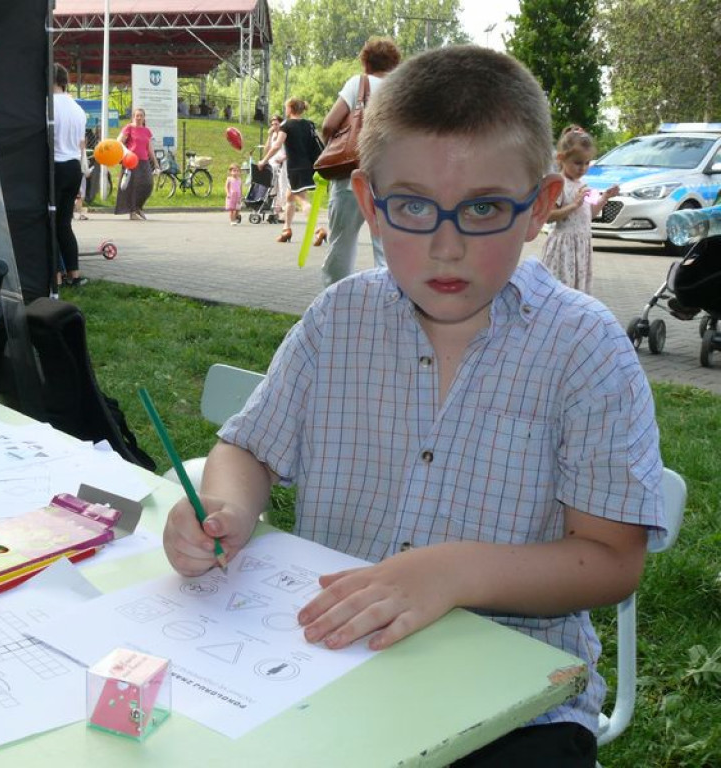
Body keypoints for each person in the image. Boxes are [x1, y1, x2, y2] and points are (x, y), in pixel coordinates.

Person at [163, 45, 665, 766]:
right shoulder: (339, 321)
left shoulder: (584, 351)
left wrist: (454, 573)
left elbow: (612, 559)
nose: (447, 245)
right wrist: (229, 508)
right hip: (324, 667)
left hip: (518, 708)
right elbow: (247, 448)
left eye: (486, 207)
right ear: (369, 203)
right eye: (413, 207)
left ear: (540, 207)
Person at [319, 36, 401, 286]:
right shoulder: (402, 90)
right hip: (390, 178)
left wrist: (333, 150)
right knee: (386, 245)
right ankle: (392, 301)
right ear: (396, 64)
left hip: (350, 176)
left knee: (341, 243)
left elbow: (329, 125)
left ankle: (334, 299)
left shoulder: (358, 83)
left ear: (365, 63)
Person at [541, 125, 620, 293]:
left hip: (581, 249)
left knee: (577, 293)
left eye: (586, 163)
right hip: (564, 250)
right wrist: (573, 205)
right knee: (561, 292)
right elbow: (548, 216)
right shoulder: (559, 184)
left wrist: (604, 198)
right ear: (561, 158)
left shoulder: (582, 185)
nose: (583, 168)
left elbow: (588, 215)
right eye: (577, 163)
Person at [257, 99, 318, 243]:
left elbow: (277, 145)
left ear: (291, 108)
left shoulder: (286, 125)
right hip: (308, 166)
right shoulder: (309, 124)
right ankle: (286, 230)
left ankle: (317, 230)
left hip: (294, 168)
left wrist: (264, 161)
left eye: (286, 108)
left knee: (302, 200)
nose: (285, 110)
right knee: (289, 197)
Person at [51, 63, 88, 288]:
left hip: (55, 167)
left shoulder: (47, 105)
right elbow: (81, 143)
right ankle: (74, 275)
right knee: (65, 224)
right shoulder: (77, 108)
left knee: (50, 225)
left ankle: (55, 276)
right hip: (73, 168)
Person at [114, 108, 160, 221]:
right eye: (137, 116)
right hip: (131, 161)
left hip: (144, 161)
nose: (139, 118)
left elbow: (149, 148)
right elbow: (118, 142)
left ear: (144, 117)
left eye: (141, 116)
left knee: (148, 184)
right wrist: (127, 152)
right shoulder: (128, 128)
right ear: (133, 117)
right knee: (132, 187)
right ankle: (132, 212)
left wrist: (155, 163)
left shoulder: (147, 131)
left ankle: (138, 207)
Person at [265, 114, 290, 221]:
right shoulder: (273, 135)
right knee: (273, 188)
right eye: (272, 124)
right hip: (272, 164)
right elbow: (266, 150)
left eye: (276, 124)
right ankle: (275, 211)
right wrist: (269, 136)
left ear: (281, 123)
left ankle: (285, 212)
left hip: (282, 163)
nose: (274, 126)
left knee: (283, 187)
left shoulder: (284, 134)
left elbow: (291, 149)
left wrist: (284, 157)